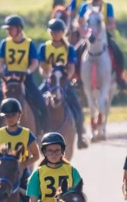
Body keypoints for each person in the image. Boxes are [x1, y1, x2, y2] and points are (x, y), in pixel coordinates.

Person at [39, 18, 89, 148]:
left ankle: (80, 135)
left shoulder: (69, 48)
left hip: (63, 82)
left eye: (58, 31)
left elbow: (71, 67)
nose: (55, 34)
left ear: (63, 32)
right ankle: (36, 131)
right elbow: (42, 66)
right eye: (53, 32)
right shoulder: (44, 47)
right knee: (37, 100)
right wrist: (47, 76)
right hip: (50, 82)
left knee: (76, 105)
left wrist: (66, 77)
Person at [0, 15, 48, 133]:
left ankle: (45, 130)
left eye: (11, 28)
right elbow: (0, 60)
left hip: (25, 78)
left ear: (19, 29)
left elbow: (34, 62)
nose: (8, 31)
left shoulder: (29, 44)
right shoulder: (4, 43)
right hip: (9, 79)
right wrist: (3, 71)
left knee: (39, 101)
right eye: (8, 29)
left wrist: (27, 72)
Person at [73, 0, 127, 93]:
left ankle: (119, 77)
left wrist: (101, 29)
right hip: (88, 36)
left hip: (103, 37)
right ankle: (78, 77)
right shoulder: (85, 6)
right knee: (76, 52)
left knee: (118, 53)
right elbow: (78, 22)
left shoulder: (108, 6)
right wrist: (83, 32)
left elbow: (112, 24)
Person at [0, 98, 40, 191]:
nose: (10, 118)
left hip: (22, 174)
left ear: (19, 115)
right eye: (7, 116)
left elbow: (36, 155)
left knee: (33, 196)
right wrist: (0, 166)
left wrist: (24, 165)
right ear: (4, 117)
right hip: (3, 175)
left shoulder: (27, 134)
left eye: (13, 115)